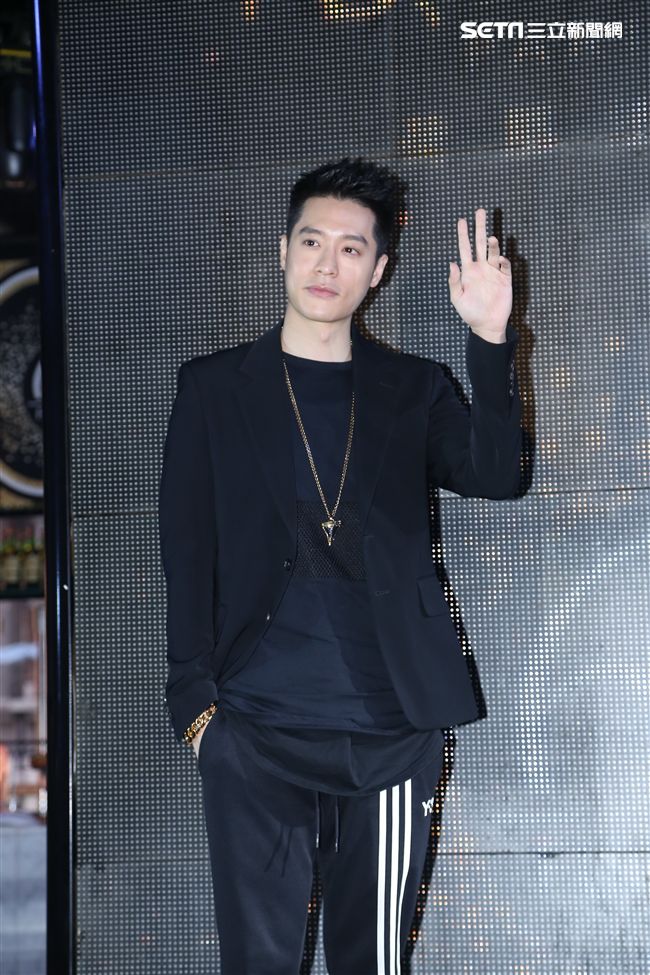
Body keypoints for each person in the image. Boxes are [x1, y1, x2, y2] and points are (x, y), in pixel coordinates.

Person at [158, 156, 521, 974]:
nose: (328, 263)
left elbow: (500, 476)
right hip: (253, 731)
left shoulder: (413, 388)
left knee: (373, 962)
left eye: (352, 248)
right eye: (312, 241)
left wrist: (490, 339)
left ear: (378, 270)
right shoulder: (213, 389)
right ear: (282, 250)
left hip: (390, 735)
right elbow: (185, 550)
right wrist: (196, 709)